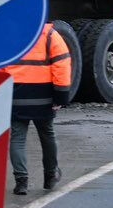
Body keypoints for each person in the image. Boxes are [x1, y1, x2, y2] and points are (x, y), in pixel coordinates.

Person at [5, 22, 72, 196]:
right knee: (47, 134)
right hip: (44, 96)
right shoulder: (49, 34)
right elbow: (62, 65)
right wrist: (61, 96)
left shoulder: (9, 31)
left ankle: (21, 182)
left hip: (16, 94)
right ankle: (50, 176)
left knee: (17, 138)